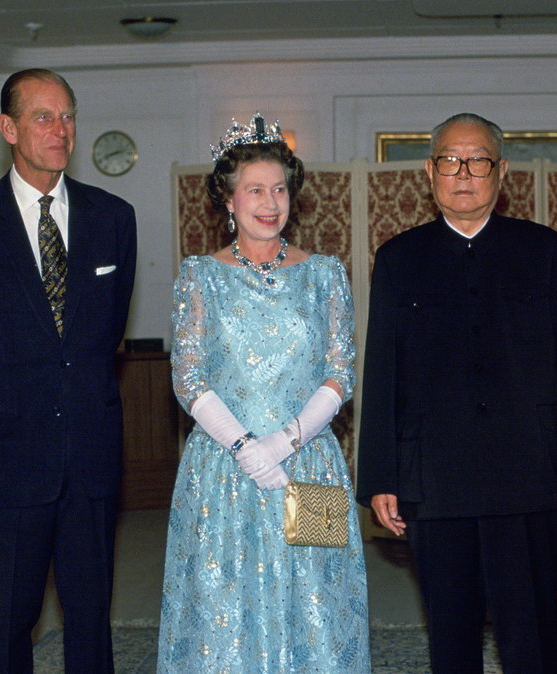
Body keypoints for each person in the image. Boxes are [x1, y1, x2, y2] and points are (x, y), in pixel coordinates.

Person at [357, 112, 557, 673]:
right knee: (450, 634)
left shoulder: (541, 250)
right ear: (429, 170)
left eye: (478, 160)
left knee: (530, 633)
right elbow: (383, 369)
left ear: (502, 170)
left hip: (527, 474)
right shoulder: (399, 257)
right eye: (449, 160)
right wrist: (382, 477)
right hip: (435, 478)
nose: (463, 173)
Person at [0, 68, 137, 673]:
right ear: (8, 128)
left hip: (91, 457)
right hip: (6, 460)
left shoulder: (113, 219)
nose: (60, 129)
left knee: (91, 618)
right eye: (44, 117)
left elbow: (104, 336)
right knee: (10, 621)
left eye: (67, 115)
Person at [156, 114, 369, 673]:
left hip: (308, 463)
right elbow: (189, 375)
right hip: (224, 470)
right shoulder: (200, 276)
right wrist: (246, 445)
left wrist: (283, 442)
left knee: (319, 610)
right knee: (223, 614)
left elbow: (341, 371)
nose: (270, 202)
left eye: (279, 189)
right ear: (228, 199)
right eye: (255, 190)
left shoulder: (324, 273)